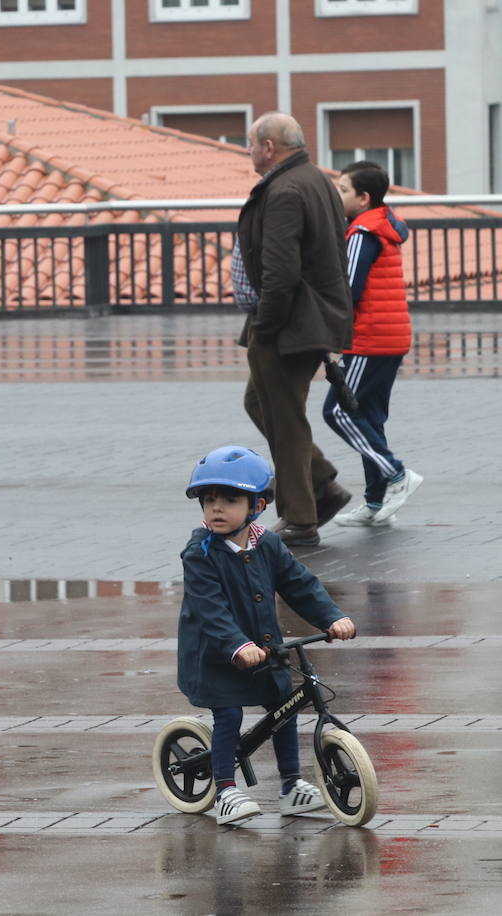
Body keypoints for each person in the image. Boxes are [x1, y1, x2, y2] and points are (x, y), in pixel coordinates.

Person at [177, 445, 357, 826]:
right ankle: (225, 789)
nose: (217, 509)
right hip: (217, 655)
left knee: (283, 709)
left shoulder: (268, 544)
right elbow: (210, 608)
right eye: (209, 500)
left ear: (257, 506)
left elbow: (300, 584)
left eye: (229, 499)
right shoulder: (200, 554)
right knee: (228, 716)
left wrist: (331, 617)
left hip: (266, 651)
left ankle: (291, 786)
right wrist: (236, 645)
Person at [237, 112, 356, 547]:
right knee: (260, 402)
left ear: (269, 147)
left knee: (285, 419)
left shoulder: (284, 189)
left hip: (291, 322)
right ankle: (322, 481)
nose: (248, 153)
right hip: (313, 316)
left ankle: (301, 518)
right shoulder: (315, 179)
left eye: (250, 144)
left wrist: (265, 326)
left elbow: (281, 271)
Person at [324, 160, 423, 526]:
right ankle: (376, 502)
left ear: (363, 198)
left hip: (370, 338)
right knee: (369, 417)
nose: (338, 195)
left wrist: (329, 330)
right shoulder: (384, 225)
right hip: (390, 336)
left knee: (336, 411)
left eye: (344, 190)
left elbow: (347, 289)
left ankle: (396, 475)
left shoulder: (363, 232)